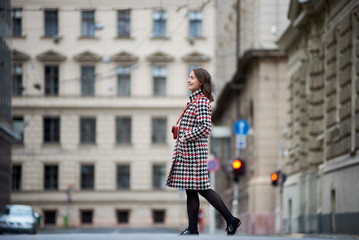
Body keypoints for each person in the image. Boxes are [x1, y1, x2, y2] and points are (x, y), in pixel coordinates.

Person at [166, 68, 242, 235]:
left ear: (201, 81)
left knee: (202, 188)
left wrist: (184, 135)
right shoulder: (195, 101)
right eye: (189, 77)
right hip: (189, 153)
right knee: (191, 189)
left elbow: (205, 128)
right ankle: (193, 228)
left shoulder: (201, 102)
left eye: (192, 77)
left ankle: (231, 220)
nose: (188, 80)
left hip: (194, 155)